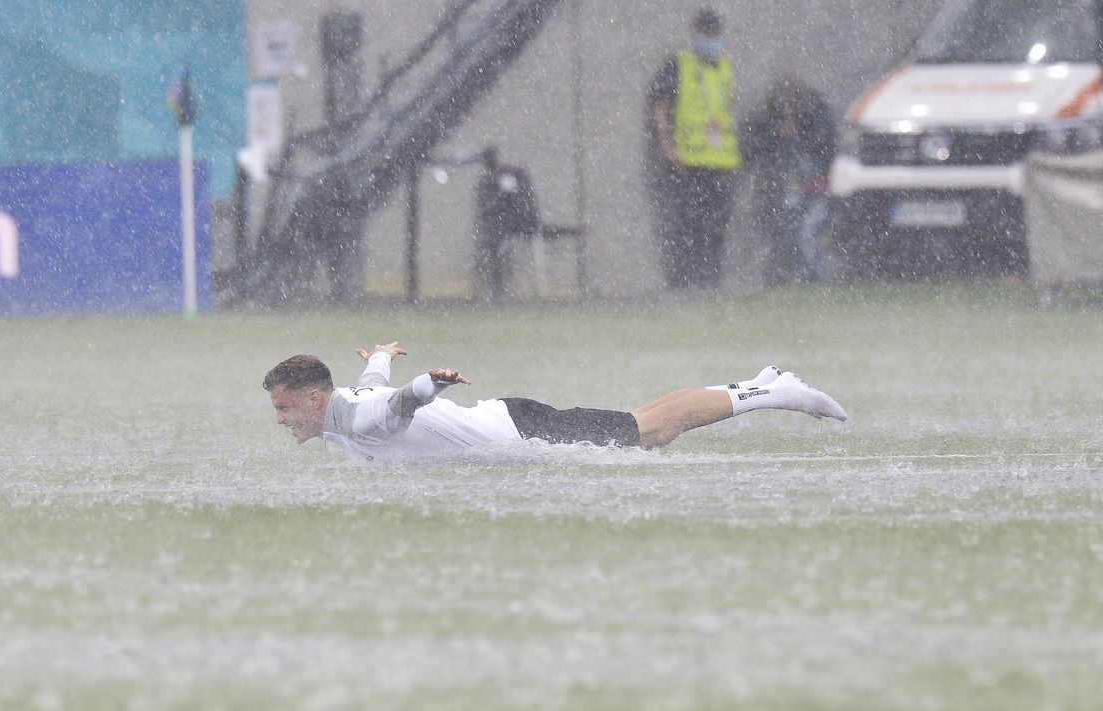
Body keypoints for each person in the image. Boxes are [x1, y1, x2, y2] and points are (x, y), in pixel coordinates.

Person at [264, 342, 847, 462]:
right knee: (645, 421)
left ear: (316, 399)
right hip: (510, 416)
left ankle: (773, 391)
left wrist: (431, 383)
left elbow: (396, 405)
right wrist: (385, 353)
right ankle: (760, 379)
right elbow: (375, 378)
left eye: (285, 408)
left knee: (652, 429)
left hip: (520, 432)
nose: (282, 420)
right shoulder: (341, 406)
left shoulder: (358, 416)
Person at [648, 7, 742, 290]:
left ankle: (710, 283)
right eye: (706, 34)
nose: (711, 40)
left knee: (715, 229)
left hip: (721, 163)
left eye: (715, 35)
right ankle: (682, 284)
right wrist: (667, 146)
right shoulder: (678, 64)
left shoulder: (725, 68)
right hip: (687, 161)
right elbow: (660, 104)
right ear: (694, 34)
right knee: (685, 226)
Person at [745, 77, 837, 285]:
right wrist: (770, 126)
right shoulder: (768, 123)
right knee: (789, 237)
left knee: (806, 236)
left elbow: (827, 144)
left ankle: (811, 282)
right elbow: (752, 149)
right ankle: (792, 279)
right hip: (787, 189)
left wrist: (797, 131)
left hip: (814, 190)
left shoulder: (816, 116)